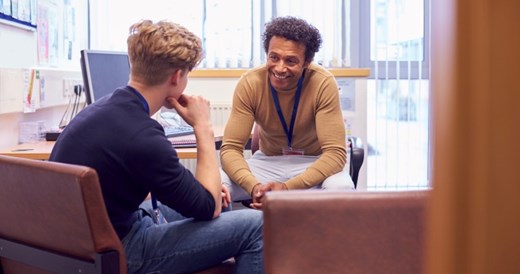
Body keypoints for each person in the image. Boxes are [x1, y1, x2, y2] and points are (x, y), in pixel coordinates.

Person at [50, 20, 263, 274]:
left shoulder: (102, 108)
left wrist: (208, 196)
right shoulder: (143, 136)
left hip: (78, 243)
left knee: (221, 201)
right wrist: (203, 127)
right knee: (258, 225)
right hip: (118, 251)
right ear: (176, 76)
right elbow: (207, 207)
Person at [220, 16, 355, 209]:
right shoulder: (250, 83)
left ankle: (322, 240)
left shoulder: (323, 83)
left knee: (342, 189)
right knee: (215, 183)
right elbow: (230, 149)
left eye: (291, 61)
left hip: (313, 162)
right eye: (274, 57)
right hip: (267, 163)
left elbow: (335, 154)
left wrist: (287, 188)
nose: (280, 68)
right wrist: (255, 188)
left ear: (307, 61)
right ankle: (236, 236)